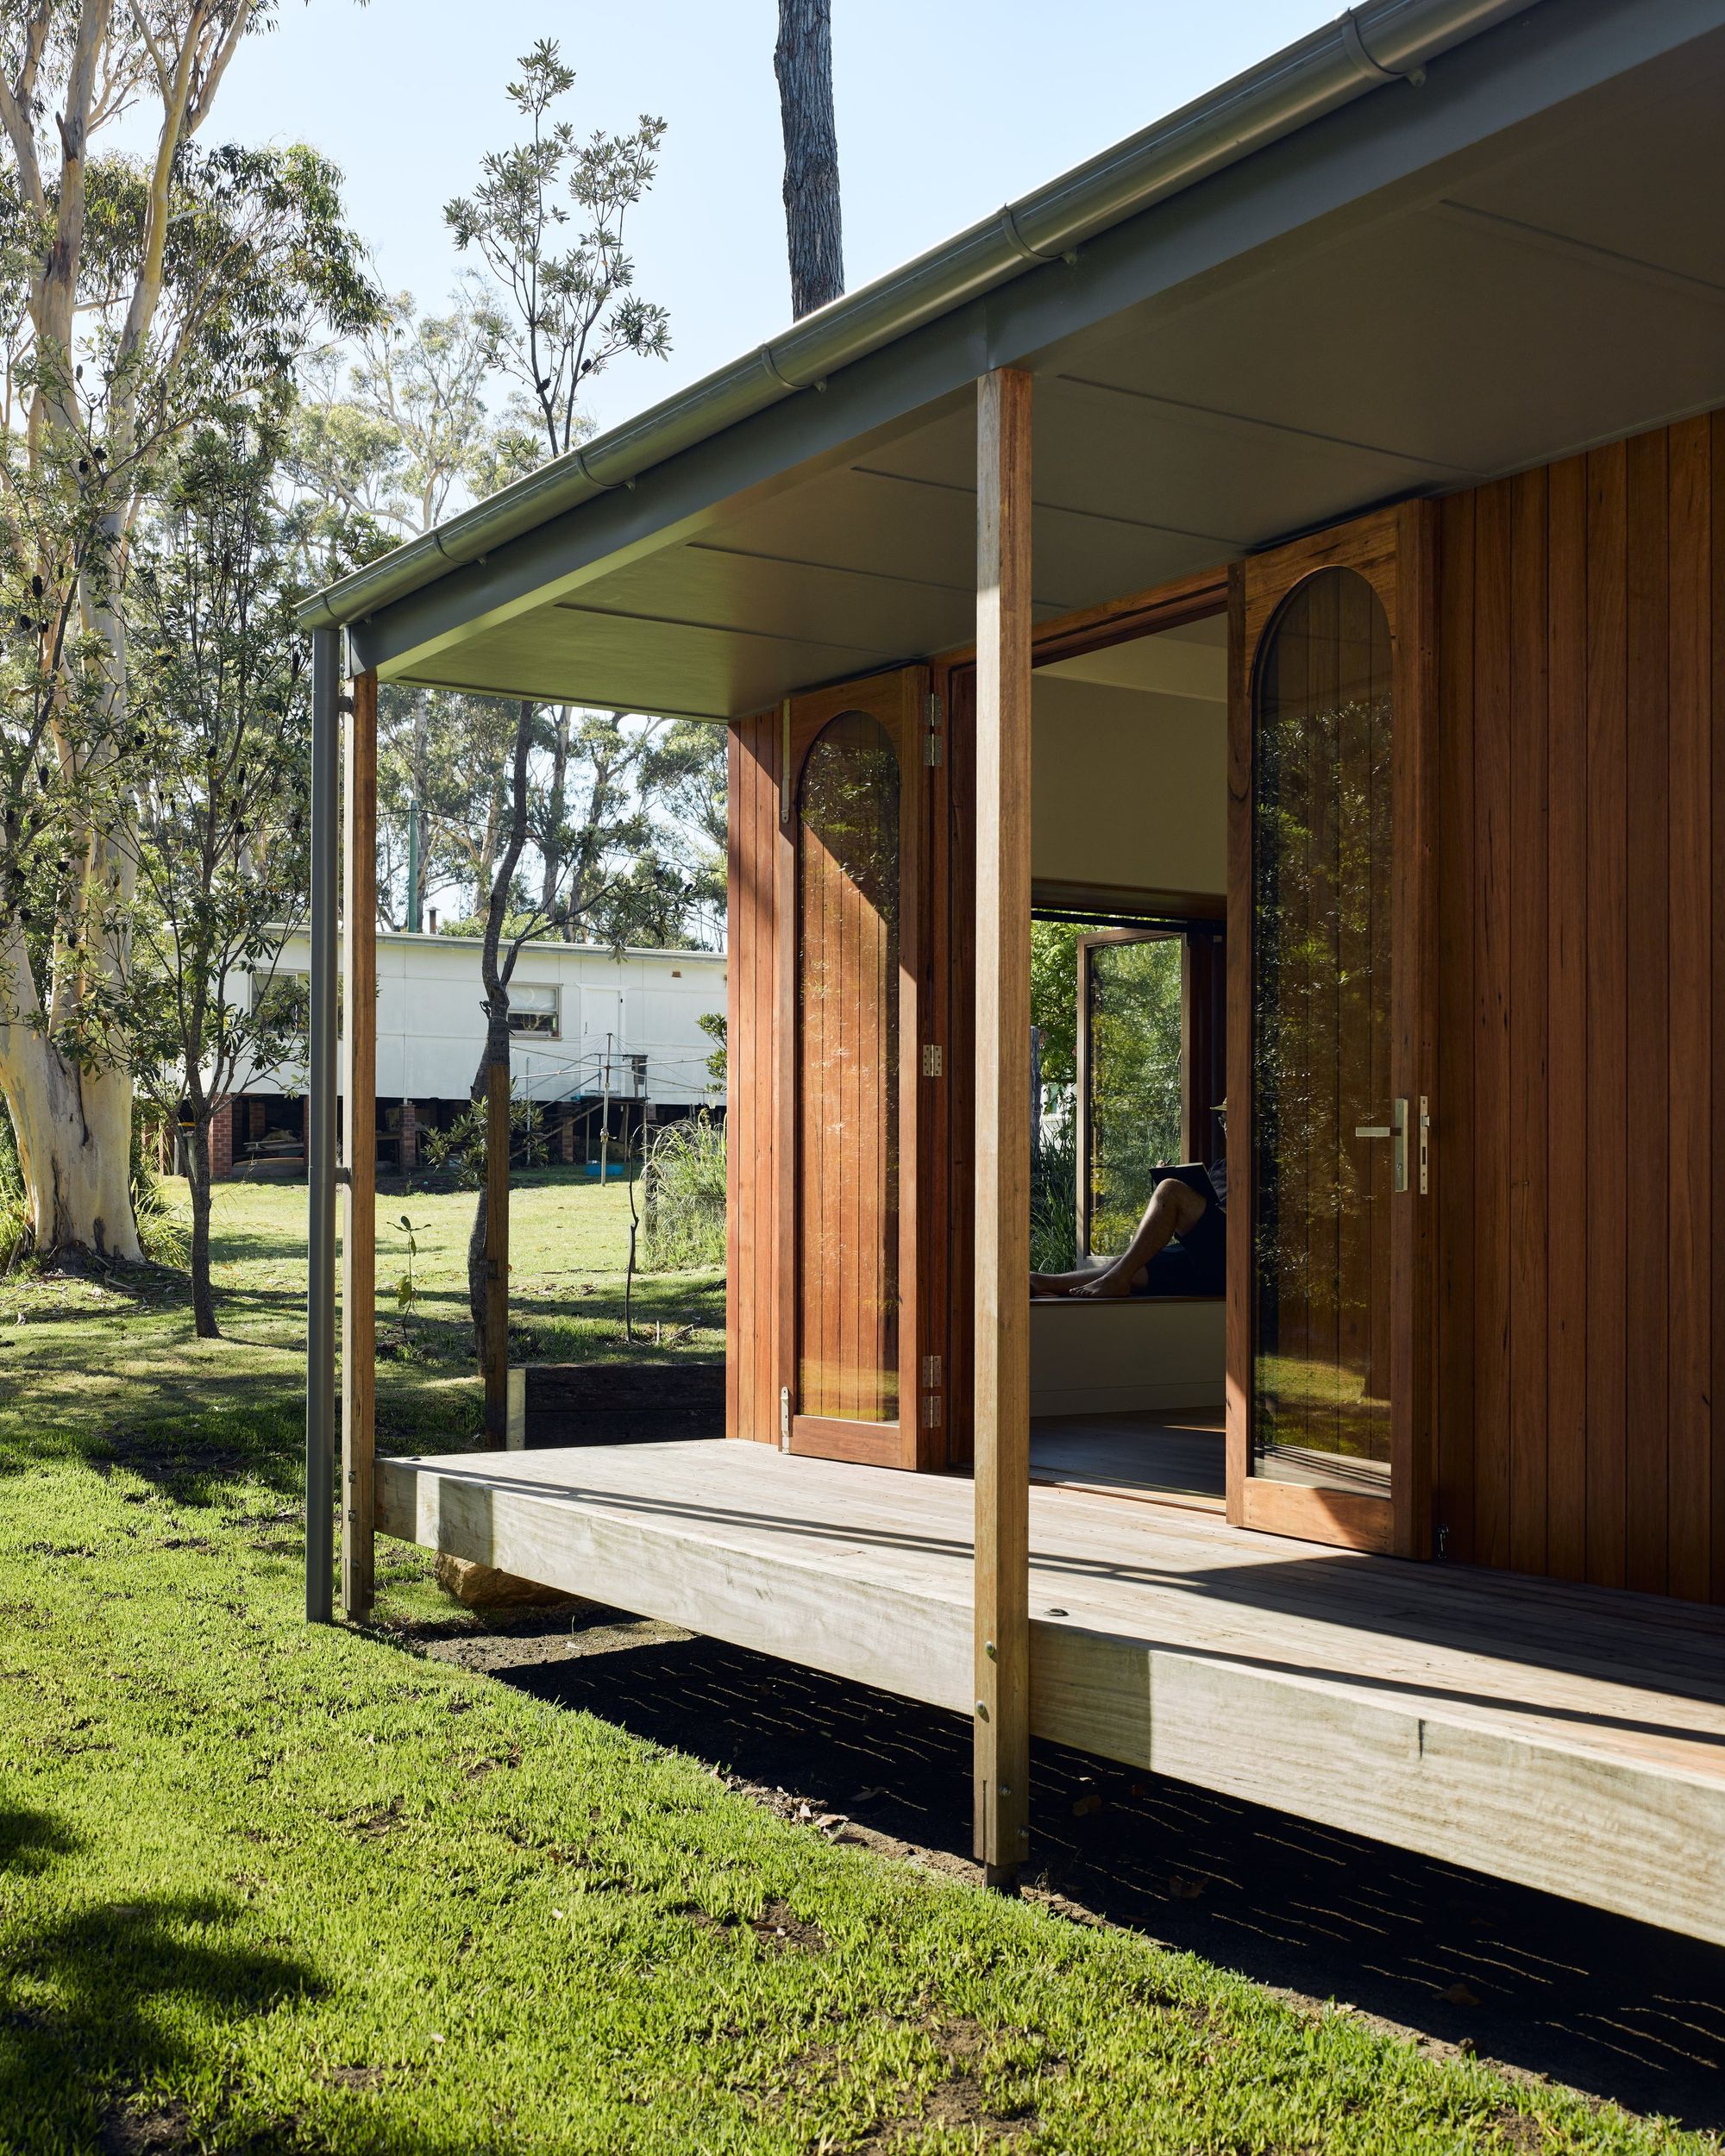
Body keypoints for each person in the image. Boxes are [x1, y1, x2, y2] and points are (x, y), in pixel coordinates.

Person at [1032, 1144, 1227, 1301]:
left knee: (1170, 1188)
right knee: (1129, 1265)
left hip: (1230, 1252)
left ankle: (1118, 1278)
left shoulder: (1256, 1167)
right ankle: (1042, 1281)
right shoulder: (1220, 1166)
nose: (1226, 1125)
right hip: (1202, 1253)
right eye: (1222, 1120)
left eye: (1229, 1119)